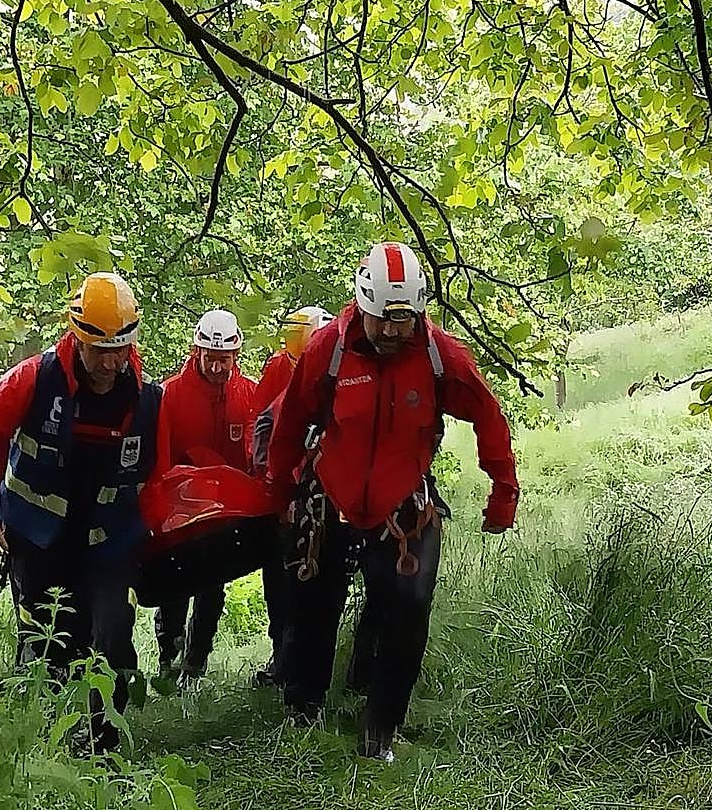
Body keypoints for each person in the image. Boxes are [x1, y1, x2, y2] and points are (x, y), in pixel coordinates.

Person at [267, 241, 519, 762]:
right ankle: (303, 711)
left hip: (402, 503)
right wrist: (280, 492)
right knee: (313, 605)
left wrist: (502, 495)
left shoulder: (439, 356)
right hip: (332, 497)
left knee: (407, 607)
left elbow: (489, 418)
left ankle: (380, 728)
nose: (390, 332)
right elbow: (291, 421)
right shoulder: (328, 351)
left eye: (402, 322)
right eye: (382, 320)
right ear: (364, 305)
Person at [0, 272, 164, 752]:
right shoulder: (34, 379)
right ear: (76, 339)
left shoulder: (148, 400)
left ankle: (104, 749)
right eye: (99, 351)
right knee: (48, 645)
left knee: (111, 640)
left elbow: (163, 476)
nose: (110, 363)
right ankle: (46, 748)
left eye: (120, 349)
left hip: (106, 544)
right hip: (37, 539)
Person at [153, 309, 258, 682]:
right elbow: (159, 453)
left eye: (224, 359)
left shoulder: (247, 394)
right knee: (174, 587)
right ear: (196, 352)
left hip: (224, 513)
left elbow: (253, 451)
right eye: (210, 358)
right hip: (178, 512)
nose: (217, 367)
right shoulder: (171, 394)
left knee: (212, 589)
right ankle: (168, 656)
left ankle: (195, 665)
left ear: (236, 357)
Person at [250, 305, 334, 688]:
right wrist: (275, 485)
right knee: (284, 579)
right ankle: (285, 660)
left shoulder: (342, 373)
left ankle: (303, 667)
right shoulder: (283, 374)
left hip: (329, 496)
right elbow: (265, 422)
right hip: (297, 494)